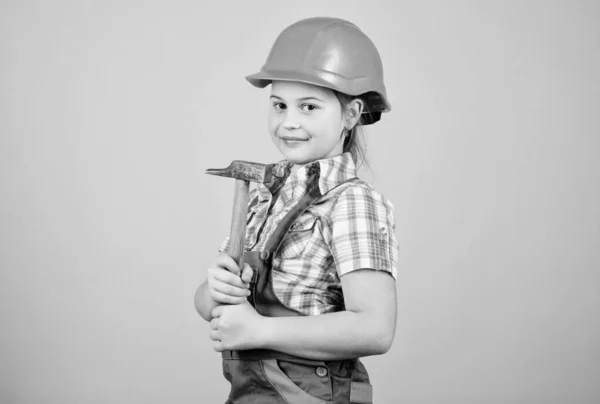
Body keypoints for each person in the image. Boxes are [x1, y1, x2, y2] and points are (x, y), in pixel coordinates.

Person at [194, 17, 399, 404]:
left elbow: (376, 329)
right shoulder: (266, 196)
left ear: (351, 115)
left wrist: (258, 332)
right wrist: (214, 290)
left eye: (308, 107)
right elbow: (212, 309)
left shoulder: (352, 203)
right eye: (279, 105)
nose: (289, 122)